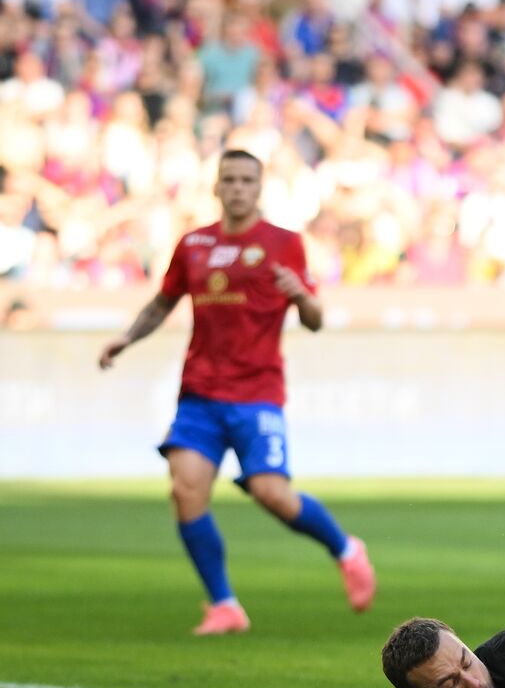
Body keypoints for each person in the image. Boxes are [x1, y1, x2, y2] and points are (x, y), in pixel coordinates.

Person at [98, 150, 376, 635]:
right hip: (199, 393)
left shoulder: (284, 243)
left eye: (247, 180)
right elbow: (163, 303)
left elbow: (315, 320)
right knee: (185, 491)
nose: (238, 188)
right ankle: (224, 605)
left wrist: (300, 295)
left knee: (272, 493)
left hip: (257, 392)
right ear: (216, 187)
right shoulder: (194, 244)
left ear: (259, 187)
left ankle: (346, 549)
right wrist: (127, 338)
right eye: (229, 179)